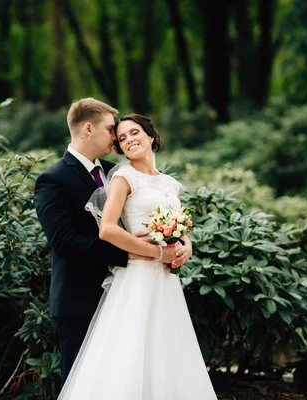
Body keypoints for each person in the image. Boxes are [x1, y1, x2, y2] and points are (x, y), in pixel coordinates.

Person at [57, 114, 217, 399]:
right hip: (137, 275)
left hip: (166, 280)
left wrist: (186, 245)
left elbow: (178, 225)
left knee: (167, 351)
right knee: (131, 352)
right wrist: (157, 252)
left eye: (134, 133)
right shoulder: (122, 177)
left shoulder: (170, 184)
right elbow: (107, 230)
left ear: (151, 136)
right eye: (121, 138)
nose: (129, 140)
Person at [34, 99, 192, 387]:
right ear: (89, 129)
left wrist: (184, 242)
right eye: (112, 131)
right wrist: (132, 254)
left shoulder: (116, 170)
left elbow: (158, 214)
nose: (117, 138)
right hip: (79, 299)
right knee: (84, 384)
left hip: (131, 291)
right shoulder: (53, 179)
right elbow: (63, 242)